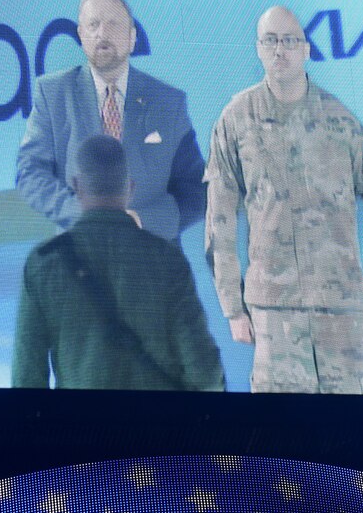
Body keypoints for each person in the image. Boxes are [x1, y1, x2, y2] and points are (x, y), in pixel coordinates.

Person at [204, 6, 363, 394]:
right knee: (282, 444)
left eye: (289, 41)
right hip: (275, 318)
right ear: (258, 49)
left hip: (344, 314)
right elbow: (219, 221)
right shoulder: (235, 122)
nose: (279, 50)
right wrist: (233, 307)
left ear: (306, 49)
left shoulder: (341, 122)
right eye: (270, 41)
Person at [13, 135, 225, 391]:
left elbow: (27, 377)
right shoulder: (168, 261)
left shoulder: (43, 264)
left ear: (77, 186)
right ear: (130, 188)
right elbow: (204, 369)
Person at [16, 0, 206, 242]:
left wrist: (142, 221)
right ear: (81, 36)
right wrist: (84, 216)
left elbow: (197, 190)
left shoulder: (169, 102)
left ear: (132, 37)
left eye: (113, 24)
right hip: (80, 261)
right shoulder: (53, 94)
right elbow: (30, 172)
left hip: (152, 260)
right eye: (93, 25)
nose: (102, 33)